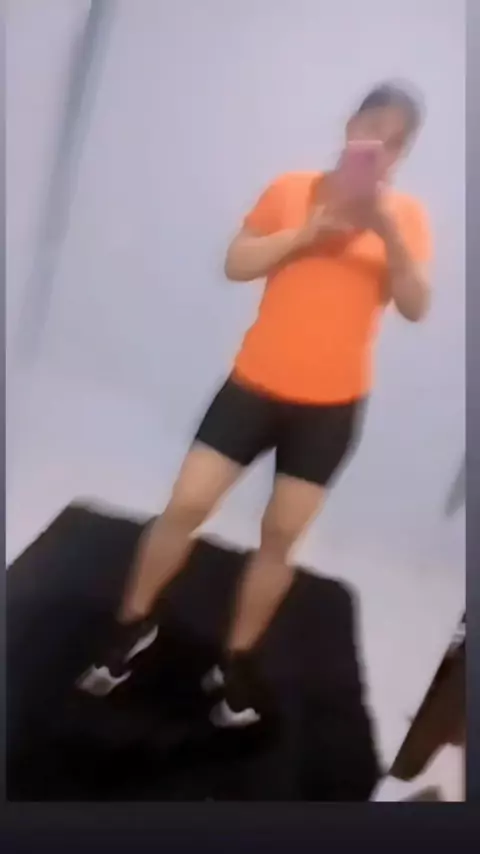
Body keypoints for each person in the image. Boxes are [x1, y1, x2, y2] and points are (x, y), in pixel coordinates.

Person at [78, 81, 432, 727]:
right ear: (351, 124)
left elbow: (416, 305)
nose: (380, 146)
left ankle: (237, 659)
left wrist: (387, 232)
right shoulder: (290, 189)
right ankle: (131, 623)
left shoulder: (405, 217)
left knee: (280, 539)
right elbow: (237, 262)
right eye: (373, 128)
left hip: (331, 409)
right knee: (185, 505)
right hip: (253, 385)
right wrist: (306, 235)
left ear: (404, 153)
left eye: (396, 141)